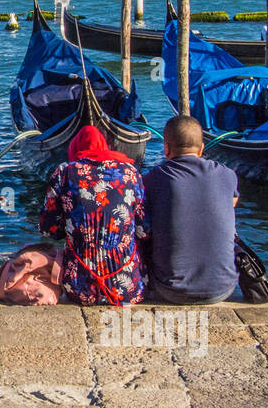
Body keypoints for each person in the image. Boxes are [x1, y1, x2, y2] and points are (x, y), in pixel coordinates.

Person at [39, 126, 146, 305]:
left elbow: (48, 229)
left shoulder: (64, 172)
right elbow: (143, 229)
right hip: (128, 290)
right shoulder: (130, 172)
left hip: (79, 289)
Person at [141, 115, 239, 304]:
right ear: (202, 148)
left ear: (166, 148)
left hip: (170, 289)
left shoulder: (153, 179)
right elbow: (232, 202)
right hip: (223, 289)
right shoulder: (228, 175)